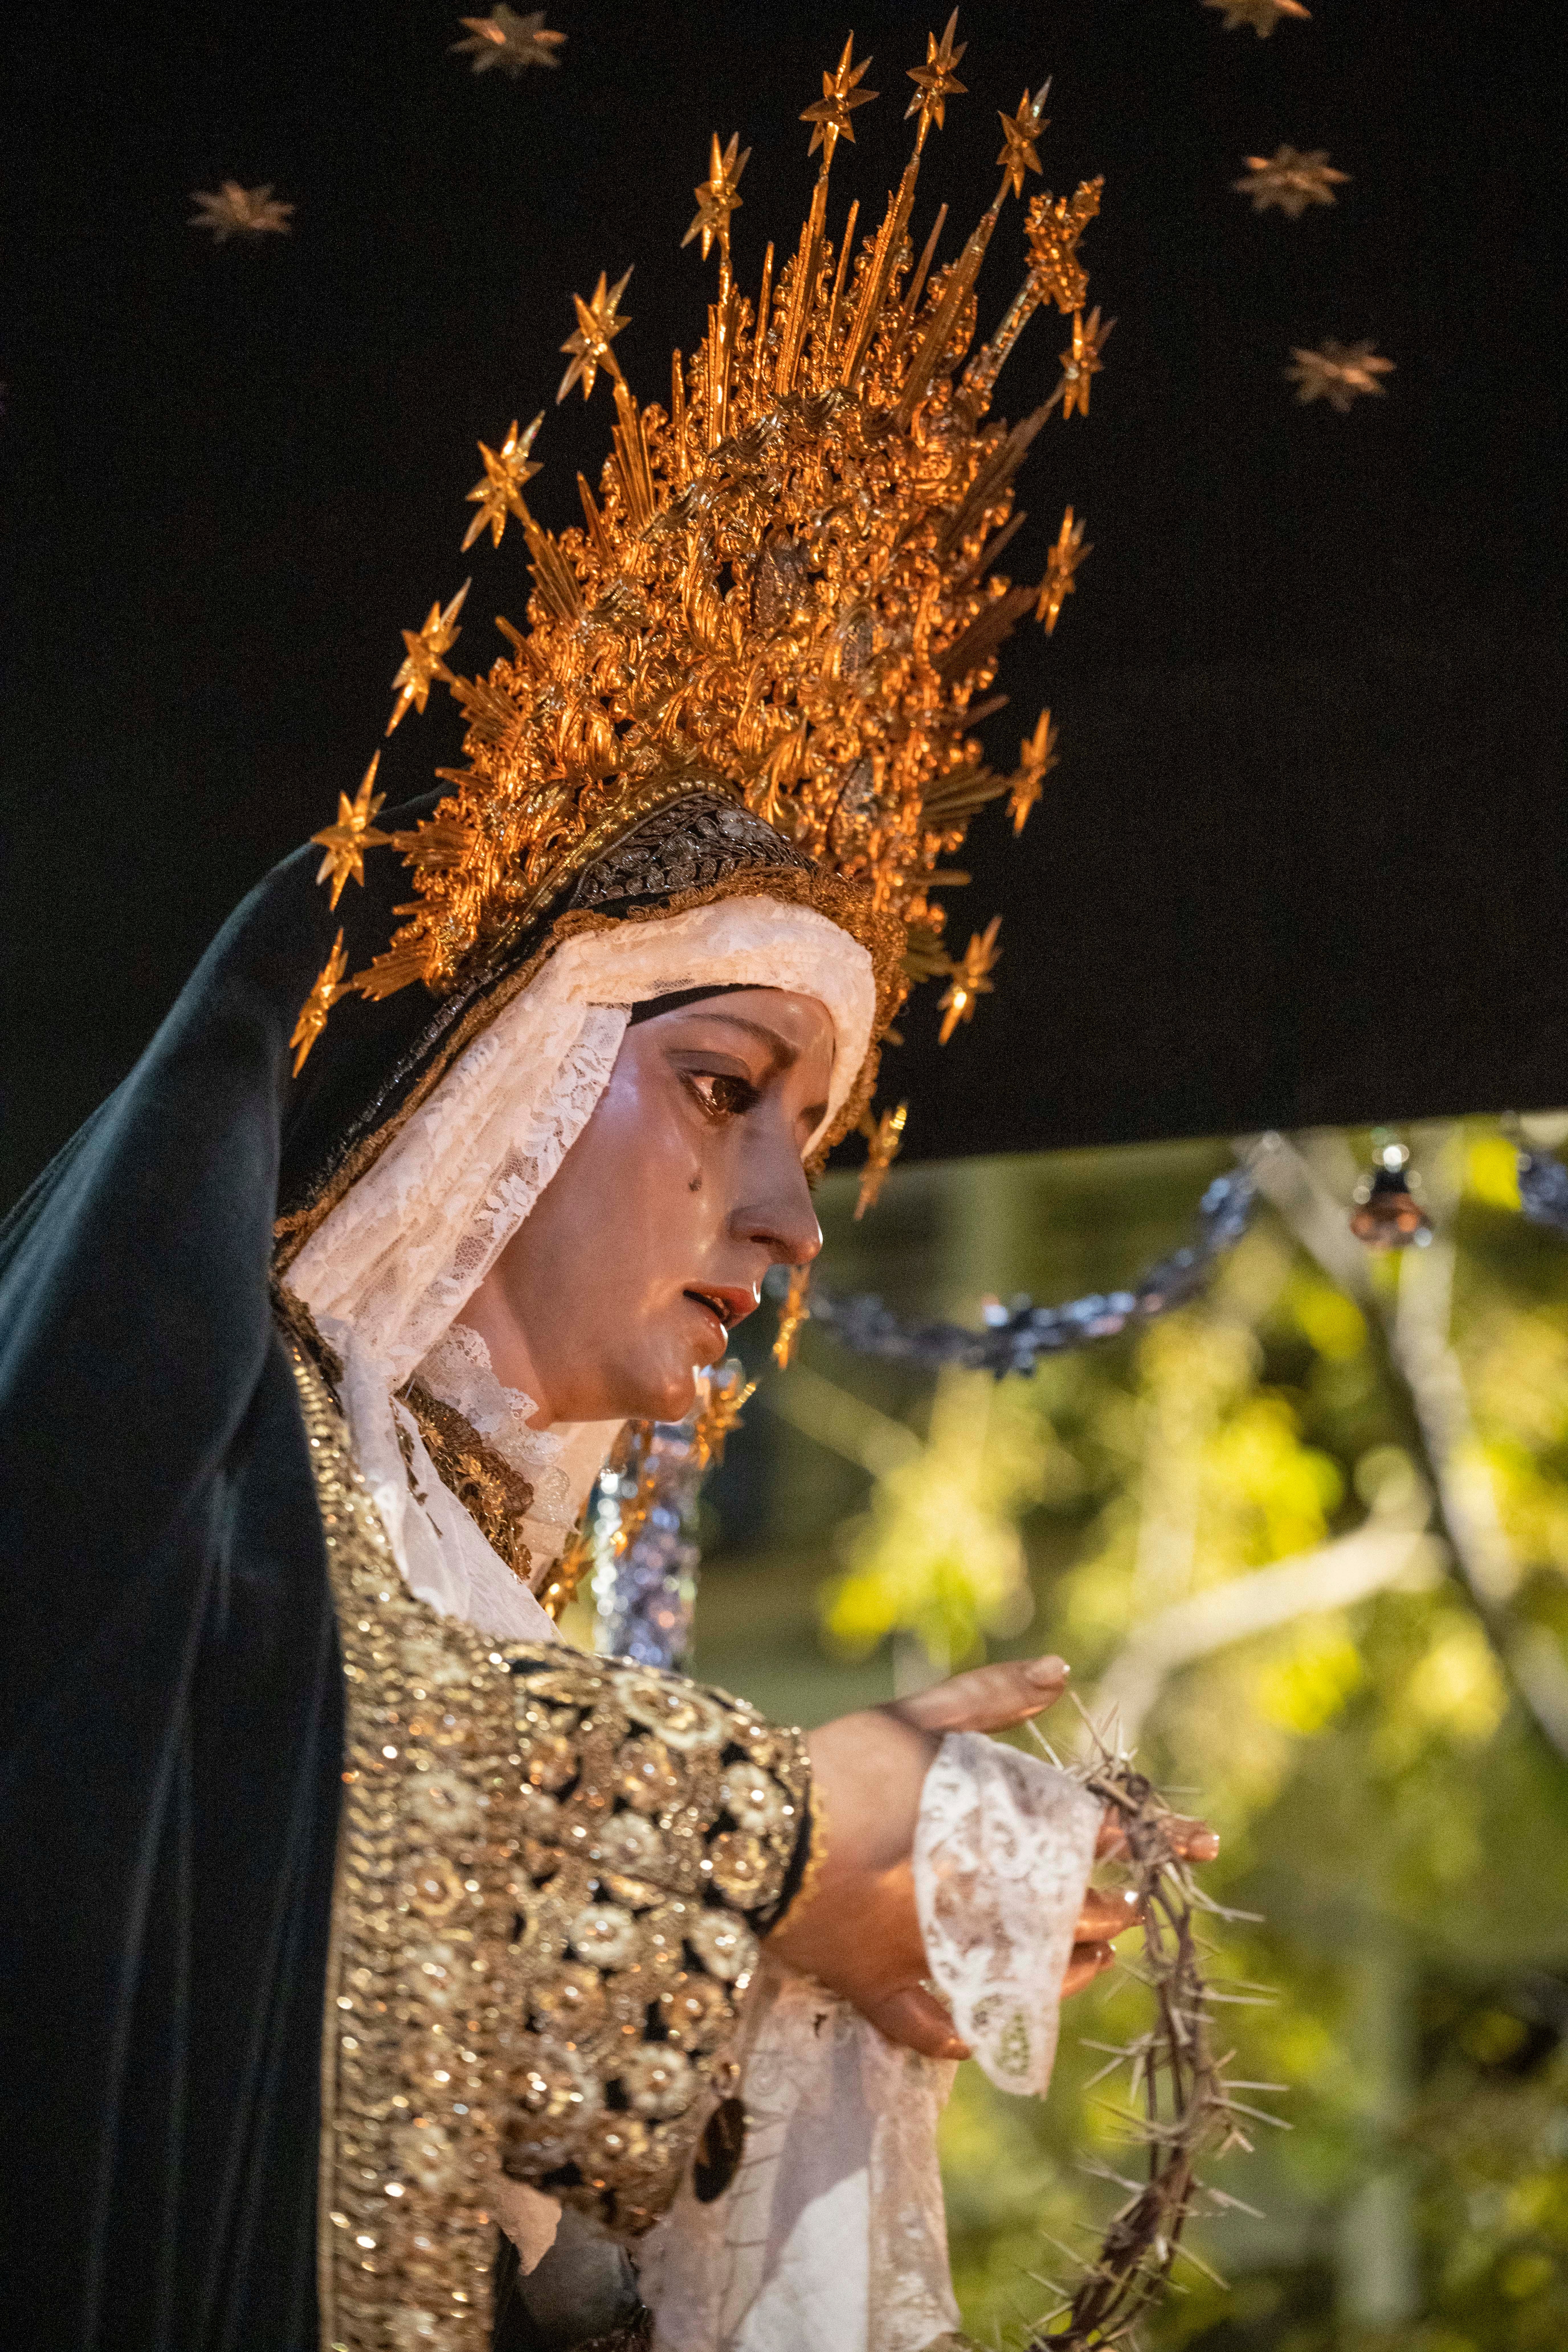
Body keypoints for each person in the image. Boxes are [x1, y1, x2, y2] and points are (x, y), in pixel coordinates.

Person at [1, 34, 1214, 2348]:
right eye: (725, 1087)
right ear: (497, 1087)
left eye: (819, 1135)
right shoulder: (180, 1438)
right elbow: (159, 1795)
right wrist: (777, 1838)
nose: (791, 1218)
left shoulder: (491, 1599)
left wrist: (839, 1946)